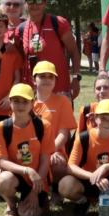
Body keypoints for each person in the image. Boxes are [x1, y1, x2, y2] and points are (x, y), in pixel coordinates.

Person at [59, 99, 109, 216]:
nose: (107, 122)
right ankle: (83, 202)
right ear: (95, 118)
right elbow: (70, 167)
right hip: (88, 181)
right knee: (65, 184)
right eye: (103, 118)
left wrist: (106, 167)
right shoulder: (84, 137)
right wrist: (93, 176)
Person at [0, 83, 53, 216]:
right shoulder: (1, 128)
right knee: (3, 180)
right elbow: (1, 161)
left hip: (38, 179)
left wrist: (34, 192)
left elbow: (45, 160)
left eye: (25, 101)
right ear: (10, 102)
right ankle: (11, 206)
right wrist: (27, 170)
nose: (20, 105)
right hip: (16, 176)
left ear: (32, 103)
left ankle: (41, 200)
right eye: (16, 101)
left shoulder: (43, 126)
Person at [15, 0, 82, 99]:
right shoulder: (20, 29)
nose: (34, 4)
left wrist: (76, 78)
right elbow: (18, 59)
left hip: (59, 89)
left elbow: (74, 51)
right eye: (30, 0)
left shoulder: (58, 23)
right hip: (32, 92)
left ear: (45, 3)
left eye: (39, 0)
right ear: (25, 4)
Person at [31, 61, 76, 194]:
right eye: (42, 76)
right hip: (29, 151)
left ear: (55, 81)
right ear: (34, 80)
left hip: (54, 150)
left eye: (51, 77)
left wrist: (48, 152)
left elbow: (63, 134)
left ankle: (56, 190)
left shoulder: (62, 101)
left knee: (58, 162)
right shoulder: (27, 102)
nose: (47, 80)